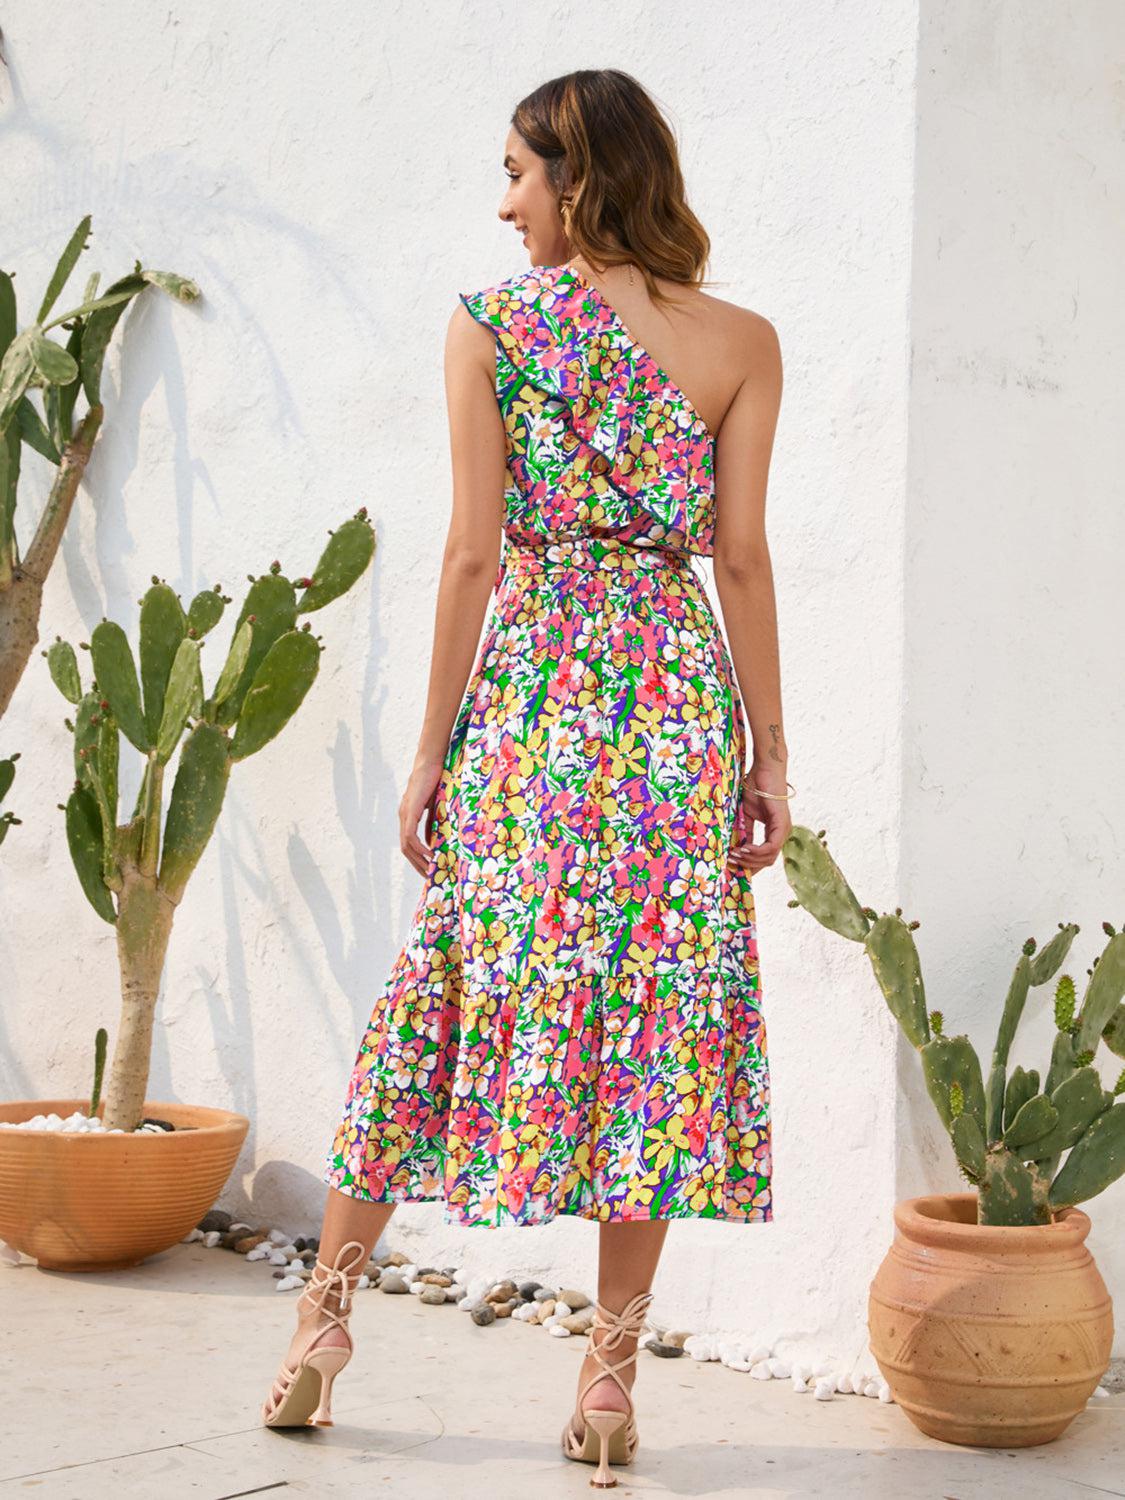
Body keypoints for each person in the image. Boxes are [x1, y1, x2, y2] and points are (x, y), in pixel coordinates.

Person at [261, 67, 788, 1486]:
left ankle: (323, 1325)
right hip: (673, 704)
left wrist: (431, 750)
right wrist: (765, 752)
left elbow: (474, 556)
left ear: (579, 174)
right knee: (655, 1024)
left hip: (541, 696)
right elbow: (735, 559)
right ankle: (607, 1384)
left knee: (444, 980)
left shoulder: (492, 328)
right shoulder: (741, 341)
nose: (503, 204)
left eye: (516, 172)